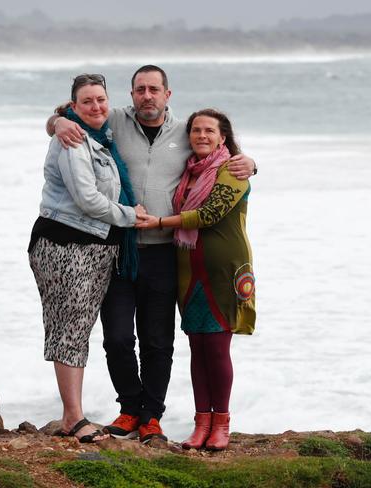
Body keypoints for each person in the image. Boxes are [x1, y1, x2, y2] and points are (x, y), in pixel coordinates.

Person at [47, 65, 256, 443]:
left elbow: (218, 157)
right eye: (140, 89)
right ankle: (129, 409)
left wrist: (253, 163)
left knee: (158, 341)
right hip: (118, 250)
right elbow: (77, 111)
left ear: (167, 94)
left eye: (154, 89)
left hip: (165, 253)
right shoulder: (113, 120)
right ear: (131, 94)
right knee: (118, 338)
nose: (147, 95)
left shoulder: (185, 132)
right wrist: (57, 122)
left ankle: (152, 417)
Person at [29, 73, 146, 443]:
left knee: (77, 328)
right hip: (65, 244)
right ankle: (74, 418)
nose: (96, 107)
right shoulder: (72, 141)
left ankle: (73, 415)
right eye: (87, 102)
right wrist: (132, 216)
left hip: (95, 248)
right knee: (69, 327)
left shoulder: (100, 134)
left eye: (101, 100)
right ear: (74, 107)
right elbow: (86, 199)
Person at [136, 108, 255, 451]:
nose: (201, 136)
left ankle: (222, 424)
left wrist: (160, 223)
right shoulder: (188, 174)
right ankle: (201, 423)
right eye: (195, 131)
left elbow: (209, 214)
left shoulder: (233, 170)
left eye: (209, 131)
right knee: (197, 349)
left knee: (217, 349)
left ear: (223, 137)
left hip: (223, 270)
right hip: (188, 270)